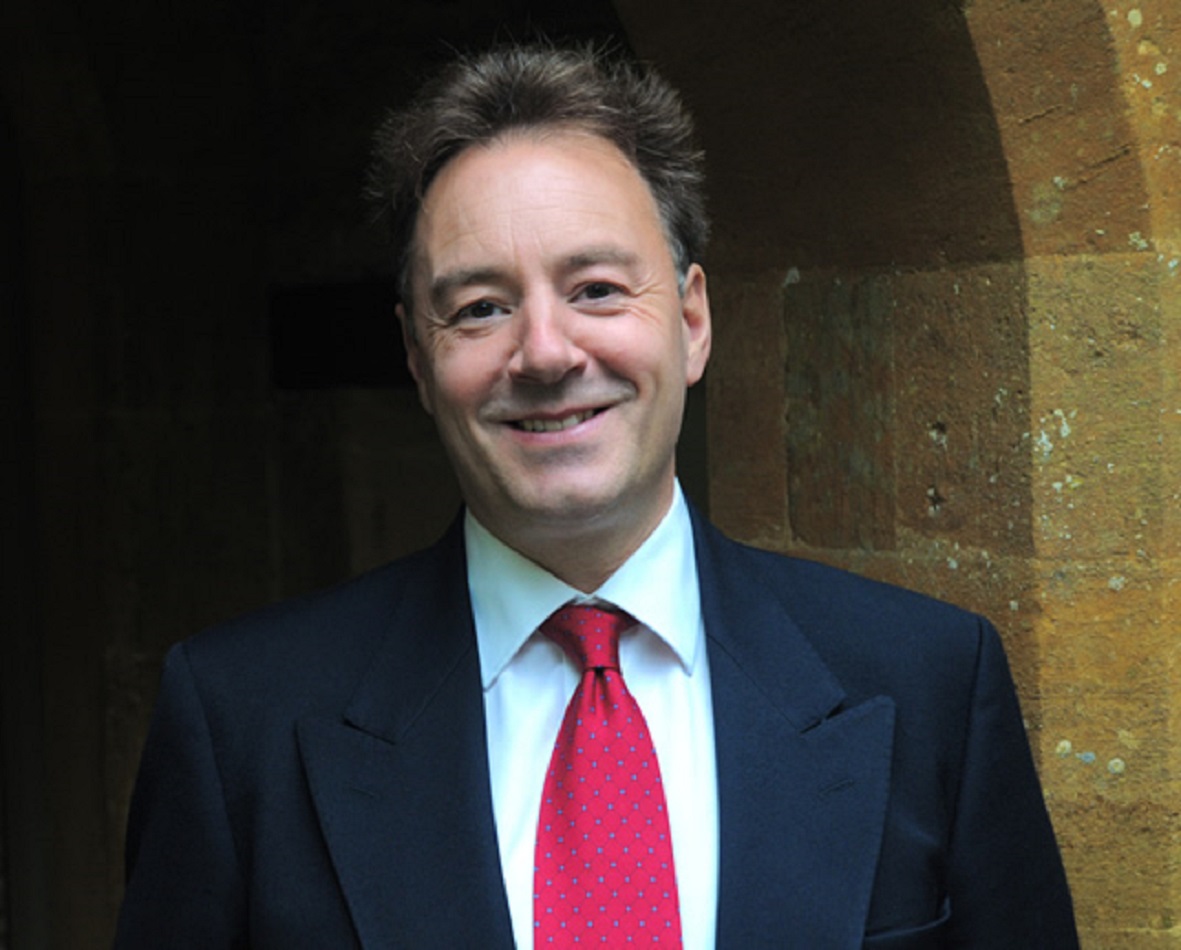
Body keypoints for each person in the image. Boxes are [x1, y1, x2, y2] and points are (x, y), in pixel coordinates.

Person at [115, 42, 1078, 948]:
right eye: (481, 308)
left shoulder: (926, 683)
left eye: (597, 289)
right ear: (416, 356)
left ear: (691, 322)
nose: (544, 352)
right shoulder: (239, 721)